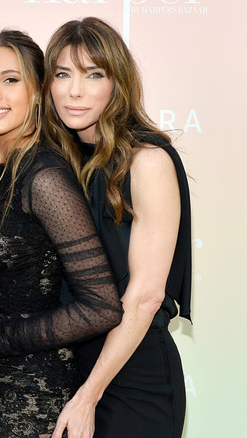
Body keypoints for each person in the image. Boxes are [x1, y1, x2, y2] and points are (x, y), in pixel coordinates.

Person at [0, 30, 123, 437]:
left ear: (37, 91)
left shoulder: (44, 175)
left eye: (10, 80)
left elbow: (101, 306)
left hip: (30, 394)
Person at [43, 17, 192, 438]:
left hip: (133, 377)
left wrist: (89, 395)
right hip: (72, 369)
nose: (75, 90)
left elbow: (145, 297)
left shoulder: (148, 161)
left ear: (117, 83)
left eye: (93, 74)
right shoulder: (58, 161)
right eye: (63, 74)